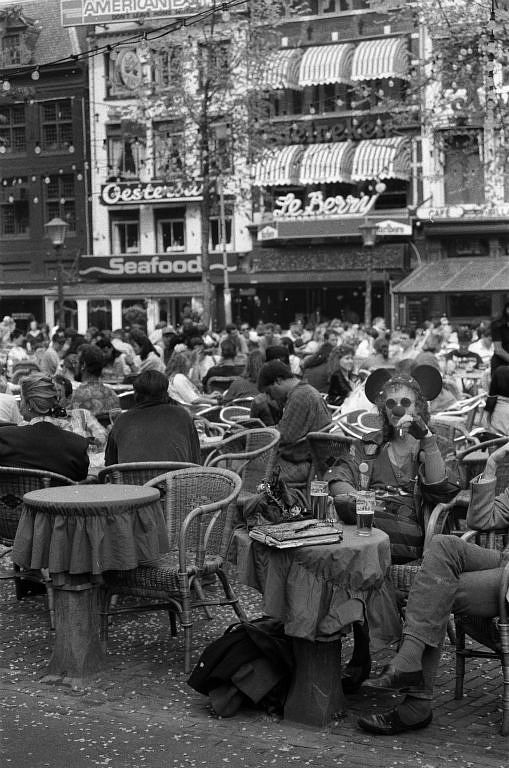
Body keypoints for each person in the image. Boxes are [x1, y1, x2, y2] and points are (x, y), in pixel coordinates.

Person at [358, 438, 509, 735]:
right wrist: (492, 464)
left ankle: (414, 693)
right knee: (443, 546)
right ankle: (410, 665)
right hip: (504, 562)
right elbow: (481, 520)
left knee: (437, 589)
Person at [328, 366, 455, 693]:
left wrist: (426, 440)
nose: (398, 409)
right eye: (391, 403)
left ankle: (366, 654)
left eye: (406, 402)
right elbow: (339, 477)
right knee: (356, 556)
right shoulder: (369, 445)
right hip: (365, 529)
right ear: (382, 410)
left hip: (407, 537)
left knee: (357, 559)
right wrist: (352, 495)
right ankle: (378, 651)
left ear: (419, 407)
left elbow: (442, 489)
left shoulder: (433, 445)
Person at [0, 374, 89, 480]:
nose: (20, 404)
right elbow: (81, 481)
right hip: (59, 491)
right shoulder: (77, 446)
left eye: (22, 398)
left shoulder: (4, 438)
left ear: (29, 405)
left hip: (15, 491)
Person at [105, 370, 200, 465]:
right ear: (166, 393)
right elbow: (195, 459)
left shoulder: (122, 420)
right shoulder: (182, 415)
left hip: (131, 475)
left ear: (136, 394)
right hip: (175, 474)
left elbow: (110, 464)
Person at [257, 360, 331, 483]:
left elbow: (283, 437)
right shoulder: (305, 391)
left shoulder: (300, 396)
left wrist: (257, 434)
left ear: (278, 380)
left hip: (300, 465)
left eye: (269, 392)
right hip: (308, 461)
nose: (271, 398)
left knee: (248, 470)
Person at [71, 344, 121, 417]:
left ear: (83, 365)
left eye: (76, 362)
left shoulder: (76, 396)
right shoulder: (113, 395)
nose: (74, 365)